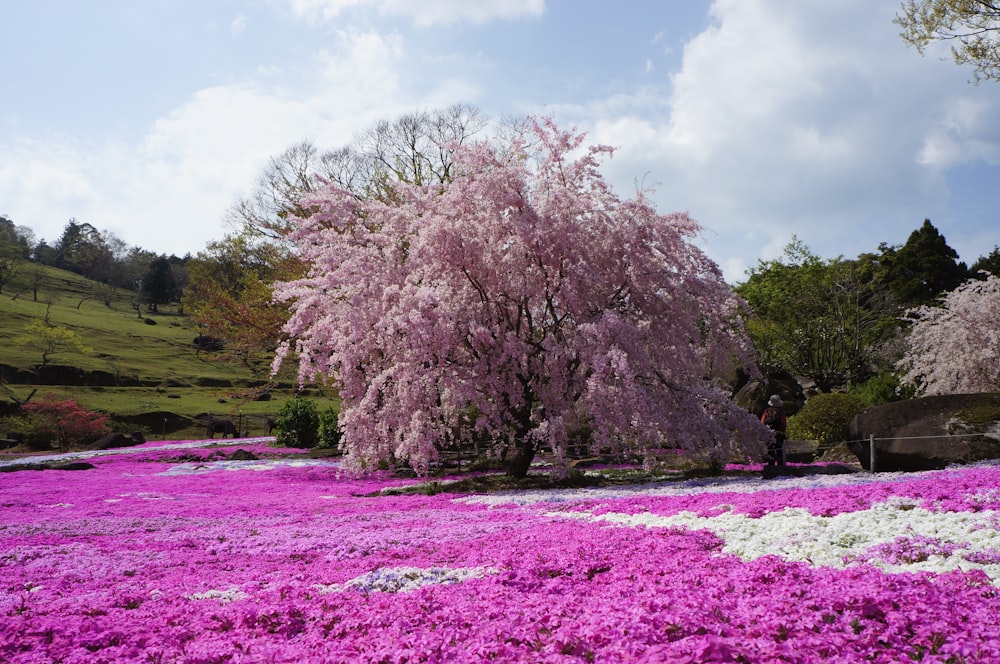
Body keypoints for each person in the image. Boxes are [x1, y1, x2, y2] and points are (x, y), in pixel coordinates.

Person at [761, 395, 787, 466]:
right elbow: (783, 423)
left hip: (768, 433)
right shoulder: (781, 411)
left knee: (770, 450)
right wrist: (784, 431)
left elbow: (762, 422)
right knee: (779, 450)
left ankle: (771, 465)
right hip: (779, 433)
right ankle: (780, 465)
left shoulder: (766, 411)